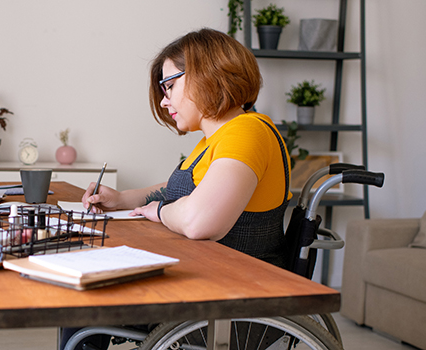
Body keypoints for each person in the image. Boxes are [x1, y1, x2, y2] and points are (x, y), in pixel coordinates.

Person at [83, 27, 291, 267]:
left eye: (169, 86)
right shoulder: (214, 139)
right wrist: (121, 199)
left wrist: (160, 212)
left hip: (240, 286)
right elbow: (182, 190)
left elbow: (198, 221)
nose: (163, 101)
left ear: (207, 74)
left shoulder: (247, 131)